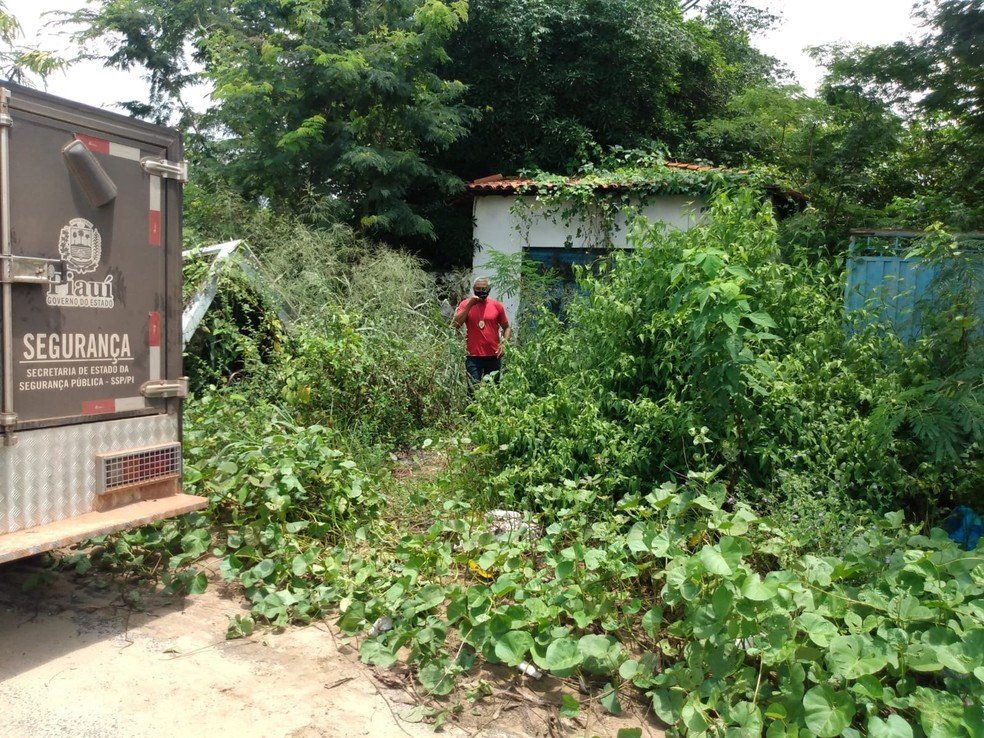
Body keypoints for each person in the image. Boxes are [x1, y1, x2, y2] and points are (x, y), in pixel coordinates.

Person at [453, 277, 511, 385]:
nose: (481, 291)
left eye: (484, 289)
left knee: (492, 389)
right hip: (473, 357)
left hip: (494, 356)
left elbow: (507, 327)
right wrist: (470, 305)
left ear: (489, 289)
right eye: (478, 289)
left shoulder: (496, 306)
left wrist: (504, 344)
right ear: (473, 289)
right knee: (473, 389)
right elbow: (455, 325)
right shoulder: (465, 304)